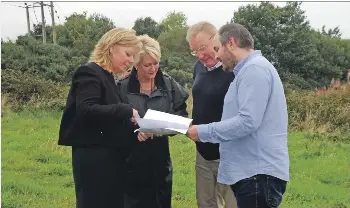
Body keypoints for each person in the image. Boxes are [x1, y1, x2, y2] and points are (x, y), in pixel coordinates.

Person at [186, 23, 290, 208]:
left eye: (218, 49)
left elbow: (248, 121)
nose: (216, 56)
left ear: (231, 43)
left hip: (257, 175)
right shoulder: (248, 70)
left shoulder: (254, 70)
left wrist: (203, 132)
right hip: (252, 174)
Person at [58, 27, 142, 208]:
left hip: (111, 158)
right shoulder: (89, 72)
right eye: (128, 54)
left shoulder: (108, 77)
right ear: (112, 47)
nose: (130, 61)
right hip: (94, 161)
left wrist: (138, 129)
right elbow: (86, 110)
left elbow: (109, 117)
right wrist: (126, 110)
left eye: (133, 57)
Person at [117, 34, 189, 208]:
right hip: (130, 161)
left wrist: (160, 129)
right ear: (136, 63)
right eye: (147, 65)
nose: (153, 69)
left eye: (156, 63)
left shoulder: (169, 85)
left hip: (160, 161)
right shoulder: (121, 87)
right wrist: (133, 131)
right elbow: (114, 120)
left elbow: (182, 115)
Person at [186, 21, 237, 208]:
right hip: (203, 153)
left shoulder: (234, 69)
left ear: (215, 37)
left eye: (202, 48)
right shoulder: (198, 68)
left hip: (229, 155)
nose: (199, 55)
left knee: (233, 204)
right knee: (205, 203)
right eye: (194, 51)